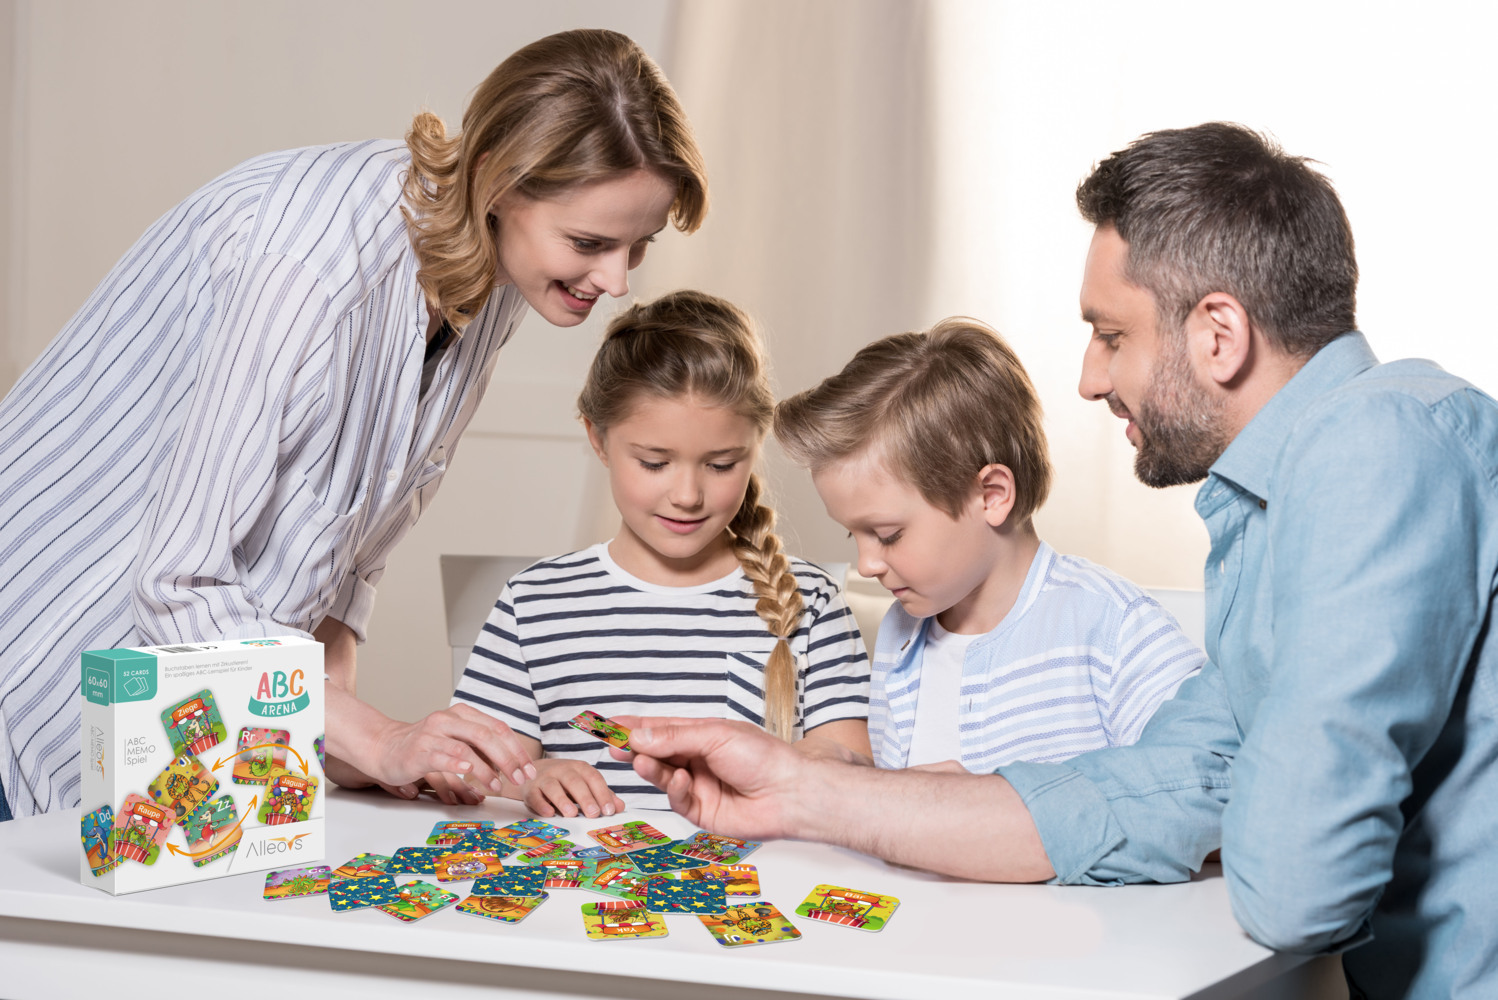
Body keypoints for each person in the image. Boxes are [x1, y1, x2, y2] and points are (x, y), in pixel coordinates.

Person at [616, 123, 1498, 998]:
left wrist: (1214, 800)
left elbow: (1298, 887)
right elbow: (1158, 784)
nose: (1087, 377)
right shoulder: (1274, 507)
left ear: (1218, 334)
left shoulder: (1381, 442)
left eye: (1111, 335)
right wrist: (798, 789)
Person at [0, 28, 709, 820]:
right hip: (37, 684)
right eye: (590, 243)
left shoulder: (505, 270)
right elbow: (179, 580)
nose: (614, 280)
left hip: (163, 748)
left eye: (636, 248)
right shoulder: (310, 266)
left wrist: (345, 748)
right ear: (496, 181)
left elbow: (347, 554)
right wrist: (376, 737)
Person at [451, 290, 870, 817]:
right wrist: (531, 777)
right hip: (581, 894)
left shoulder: (811, 604)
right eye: (654, 463)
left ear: (755, 446)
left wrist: (794, 769)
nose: (688, 495)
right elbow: (464, 768)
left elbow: (855, 769)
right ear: (598, 440)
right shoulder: (535, 605)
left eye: (720, 465)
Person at [773, 318, 1201, 771]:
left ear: (991, 496)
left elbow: (1206, 786)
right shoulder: (903, 633)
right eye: (852, 533)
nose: (867, 563)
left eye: (887, 535)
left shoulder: (1114, 629)